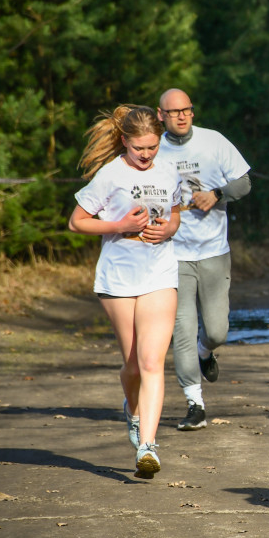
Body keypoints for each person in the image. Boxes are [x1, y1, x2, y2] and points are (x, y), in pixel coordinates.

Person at [68, 105, 182, 479]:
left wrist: (168, 230)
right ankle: (131, 410)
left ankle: (147, 447)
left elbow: (176, 212)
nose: (147, 155)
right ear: (124, 142)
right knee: (133, 365)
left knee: (152, 363)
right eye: (139, 149)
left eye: (152, 147)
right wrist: (118, 224)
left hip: (160, 273)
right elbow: (77, 222)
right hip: (118, 277)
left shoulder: (169, 170)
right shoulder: (110, 174)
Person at [156, 88, 251, 432]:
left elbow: (244, 183)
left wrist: (218, 194)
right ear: (160, 115)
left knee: (216, 330)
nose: (182, 116)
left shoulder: (214, 142)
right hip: (171, 254)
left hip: (212, 250)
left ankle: (205, 351)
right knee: (180, 327)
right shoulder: (153, 148)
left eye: (187, 110)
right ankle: (194, 403)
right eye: (174, 111)